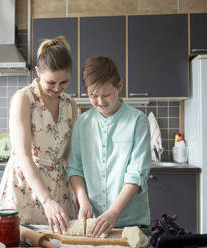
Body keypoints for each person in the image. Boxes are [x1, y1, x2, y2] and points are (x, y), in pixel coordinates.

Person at [0, 36, 77, 233]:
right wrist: (47, 201)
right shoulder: (23, 99)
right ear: (38, 72)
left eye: (64, 82)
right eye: (51, 82)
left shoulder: (70, 104)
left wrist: (77, 194)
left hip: (59, 191)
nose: (57, 89)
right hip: (26, 189)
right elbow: (22, 154)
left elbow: (69, 156)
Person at [67, 56, 151, 237]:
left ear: (119, 85)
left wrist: (114, 212)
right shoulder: (82, 124)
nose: (100, 101)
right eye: (92, 95)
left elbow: (136, 176)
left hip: (131, 223)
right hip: (94, 224)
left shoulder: (137, 121)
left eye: (106, 95)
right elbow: (75, 168)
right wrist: (83, 201)